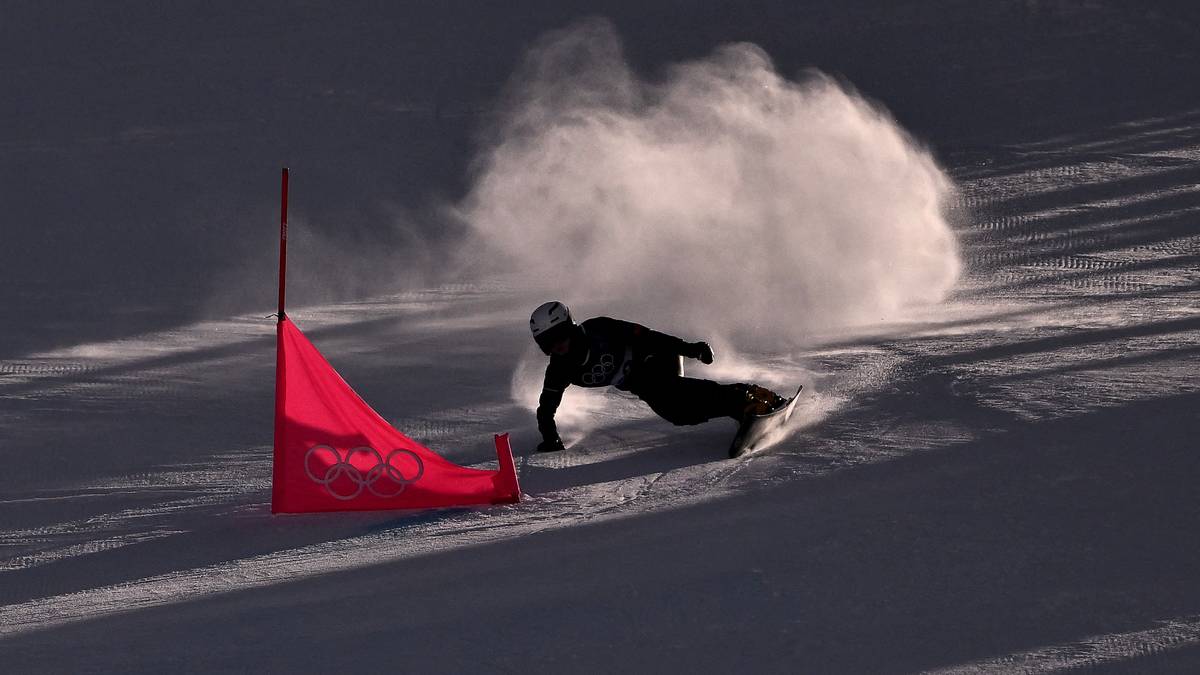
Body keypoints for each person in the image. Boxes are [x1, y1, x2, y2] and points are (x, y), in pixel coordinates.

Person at [529, 301, 786, 453]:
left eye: (559, 338)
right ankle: (739, 407)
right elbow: (547, 406)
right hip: (638, 383)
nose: (557, 347)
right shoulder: (560, 369)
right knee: (679, 414)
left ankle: (747, 397)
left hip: (656, 356)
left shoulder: (600, 330)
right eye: (548, 344)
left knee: (666, 389)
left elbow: (649, 336)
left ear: (571, 328)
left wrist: (690, 349)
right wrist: (550, 437)